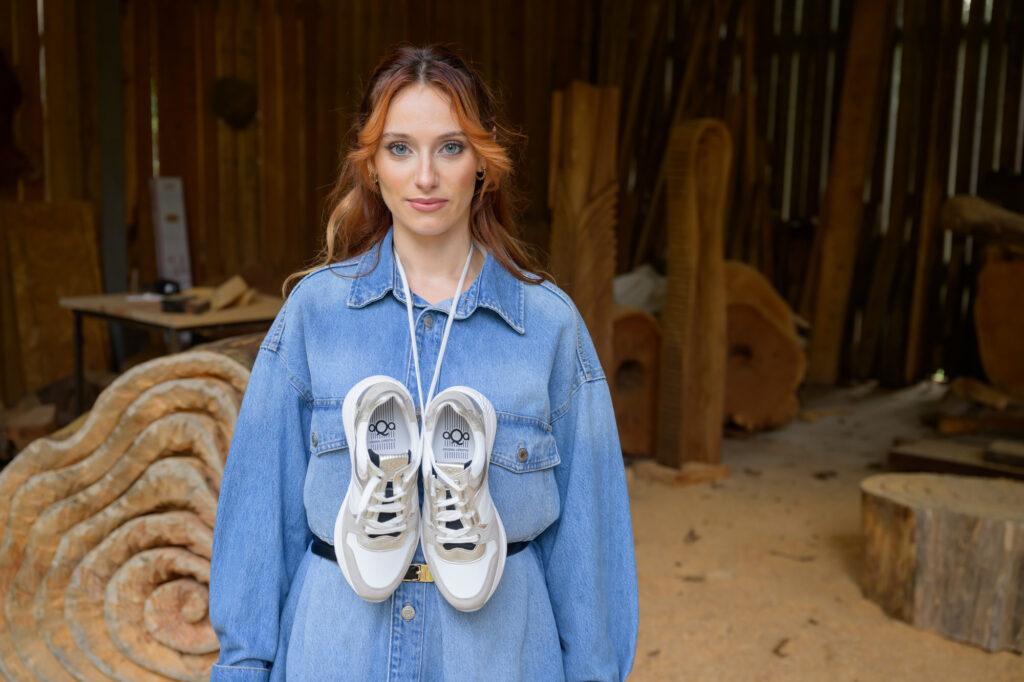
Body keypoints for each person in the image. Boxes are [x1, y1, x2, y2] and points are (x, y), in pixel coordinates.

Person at [208, 44, 638, 681]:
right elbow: (256, 522)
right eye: (400, 148)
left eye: (451, 147)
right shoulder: (315, 314)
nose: (426, 177)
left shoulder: (548, 325)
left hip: (497, 658)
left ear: (483, 166)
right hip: (336, 654)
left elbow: (591, 546)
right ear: (373, 168)